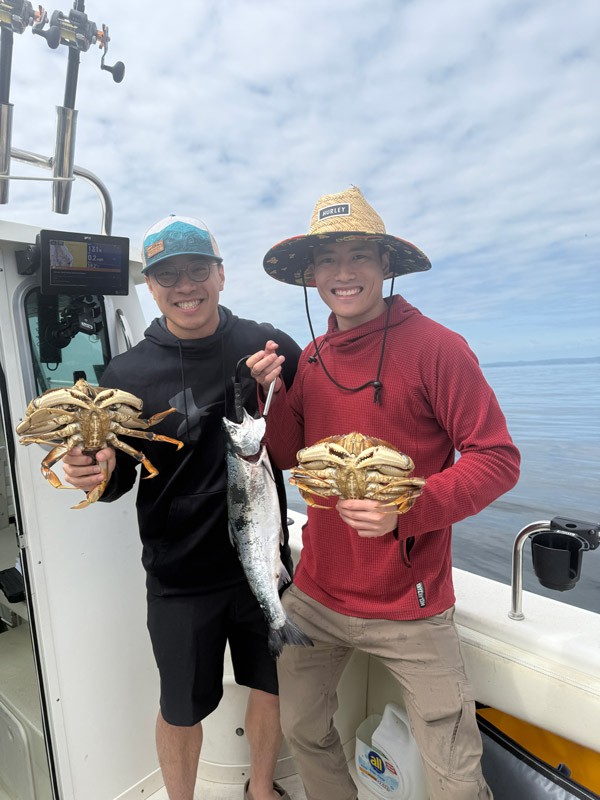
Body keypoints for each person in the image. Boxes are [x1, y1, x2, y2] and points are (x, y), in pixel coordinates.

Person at [247, 186, 521, 800]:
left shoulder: (437, 349)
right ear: (311, 275)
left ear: (386, 266)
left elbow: (497, 458)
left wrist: (408, 509)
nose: (343, 273)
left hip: (411, 602)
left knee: (452, 763)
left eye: (360, 256)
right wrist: (273, 392)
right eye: (328, 259)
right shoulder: (312, 358)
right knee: (302, 726)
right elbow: (289, 455)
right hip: (317, 593)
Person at [62, 214, 301, 800]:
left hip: (261, 564)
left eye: (198, 269)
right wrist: (89, 470)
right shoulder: (126, 374)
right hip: (178, 574)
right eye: (168, 275)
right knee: (179, 707)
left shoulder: (267, 344)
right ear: (150, 286)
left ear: (221, 275)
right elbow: (117, 480)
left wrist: (284, 387)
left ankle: (262, 790)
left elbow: (306, 433)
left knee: (271, 685)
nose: (185, 285)